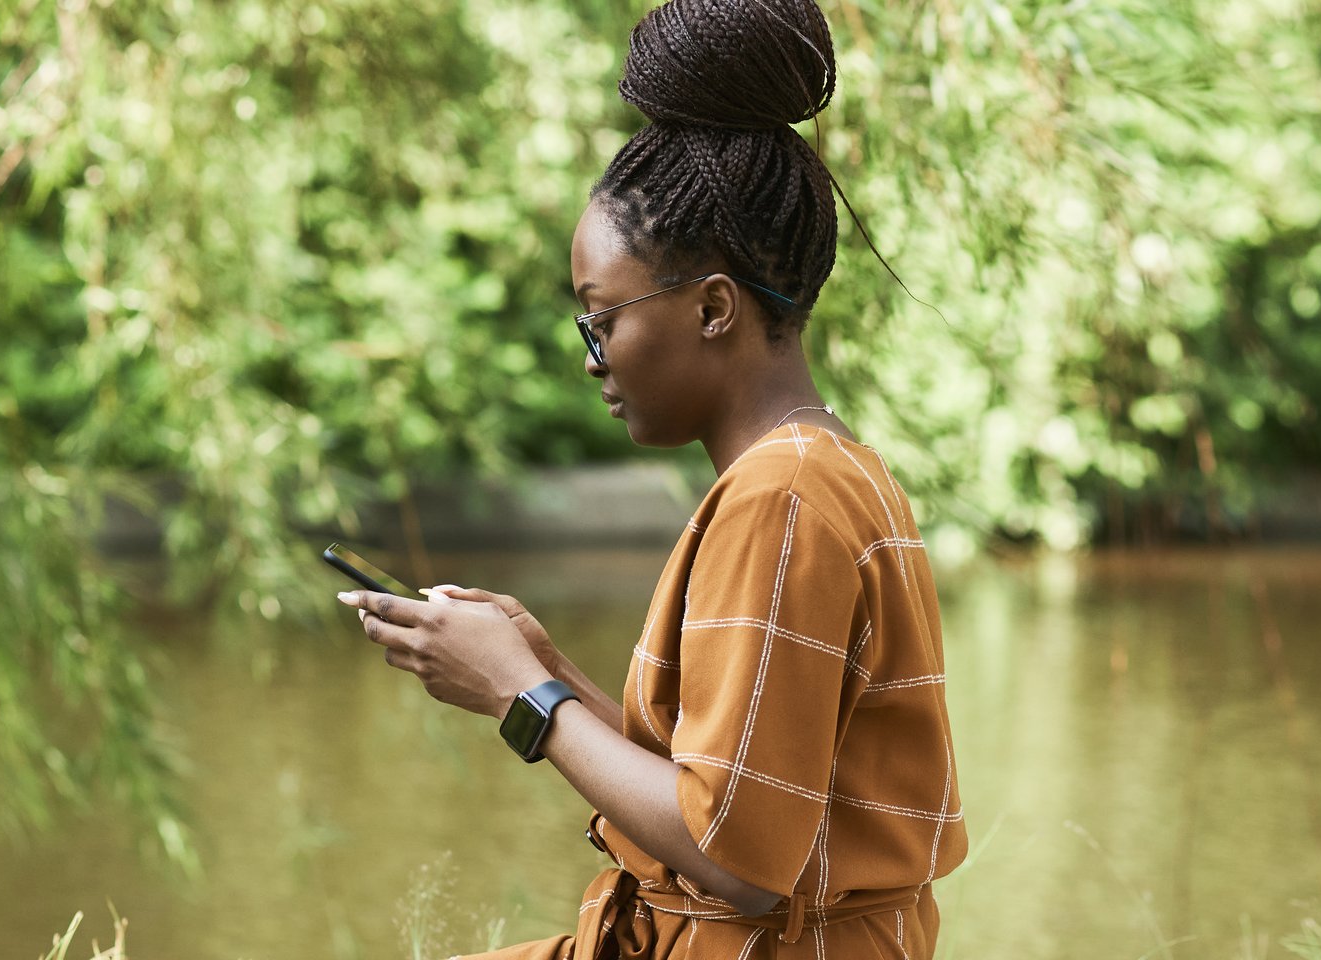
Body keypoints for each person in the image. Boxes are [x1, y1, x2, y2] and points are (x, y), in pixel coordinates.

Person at [333, 1, 967, 956]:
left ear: (714, 309)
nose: (592, 358)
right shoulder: (826, 470)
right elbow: (721, 785)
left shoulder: (781, 503)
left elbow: (743, 861)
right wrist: (543, 665)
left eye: (603, 319)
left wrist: (524, 700)